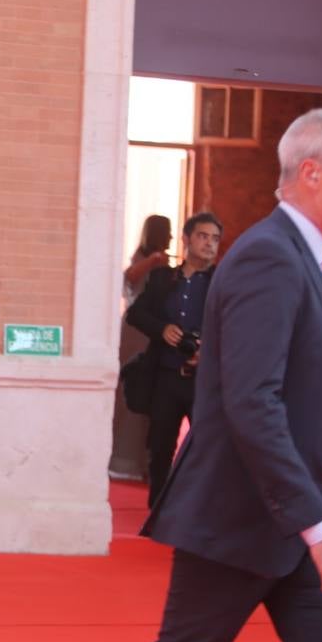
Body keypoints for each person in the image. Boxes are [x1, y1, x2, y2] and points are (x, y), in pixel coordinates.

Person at [112, 108, 322, 642]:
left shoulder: (311, 261)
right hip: (242, 521)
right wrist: (317, 524)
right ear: (312, 173)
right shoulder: (269, 257)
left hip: (307, 521)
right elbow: (252, 402)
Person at [124, 213, 222, 506]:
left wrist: (209, 349)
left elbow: (237, 323)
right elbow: (135, 314)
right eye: (203, 237)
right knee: (160, 447)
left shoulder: (221, 282)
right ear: (187, 239)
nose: (209, 244)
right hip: (165, 375)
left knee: (207, 447)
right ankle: (158, 511)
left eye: (215, 239)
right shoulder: (162, 278)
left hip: (204, 381)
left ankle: (199, 511)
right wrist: (161, 329)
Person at [110, 214, 172, 482]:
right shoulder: (145, 258)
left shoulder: (165, 261)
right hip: (136, 333)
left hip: (152, 332)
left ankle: (145, 461)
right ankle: (124, 460)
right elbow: (128, 280)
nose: (170, 238)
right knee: (131, 392)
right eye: (167, 232)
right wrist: (152, 262)